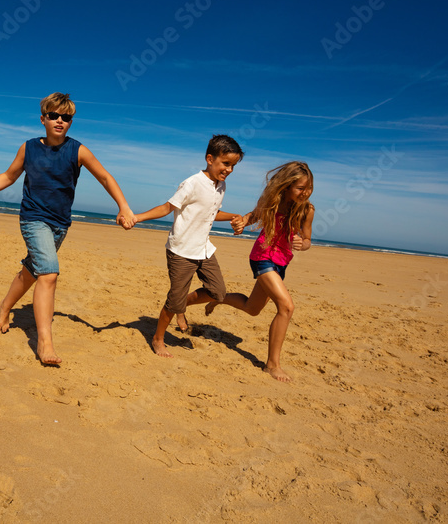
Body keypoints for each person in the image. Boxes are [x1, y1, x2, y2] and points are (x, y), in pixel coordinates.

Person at [0, 92, 135, 365]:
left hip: (60, 224)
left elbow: (104, 176)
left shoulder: (78, 150)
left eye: (66, 117)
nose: (59, 121)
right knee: (50, 274)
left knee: (32, 271)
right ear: (43, 118)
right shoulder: (28, 147)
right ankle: (45, 343)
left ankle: (5, 306)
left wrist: (124, 207)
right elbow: (9, 176)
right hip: (32, 219)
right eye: (53, 115)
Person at [132, 135, 244, 358]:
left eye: (233, 165)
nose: (229, 169)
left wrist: (234, 216)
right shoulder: (192, 183)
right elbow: (167, 207)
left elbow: (211, 213)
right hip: (181, 251)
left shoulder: (221, 185)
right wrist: (136, 218)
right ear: (210, 159)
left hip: (204, 249)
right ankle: (158, 338)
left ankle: (180, 306)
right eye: (226, 163)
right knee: (173, 301)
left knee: (218, 292)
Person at [205, 161, 315, 382]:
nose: (306, 192)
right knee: (286, 307)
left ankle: (219, 298)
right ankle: (272, 365)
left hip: (281, 263)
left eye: (309, 187)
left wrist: (302, 243)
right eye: (300, 188)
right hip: (262, 258)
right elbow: (253, 216)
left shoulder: (307, 210)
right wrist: (241, 222)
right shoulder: (271, 202)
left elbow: (308, 239)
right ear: (286, 186)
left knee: (252, 308)